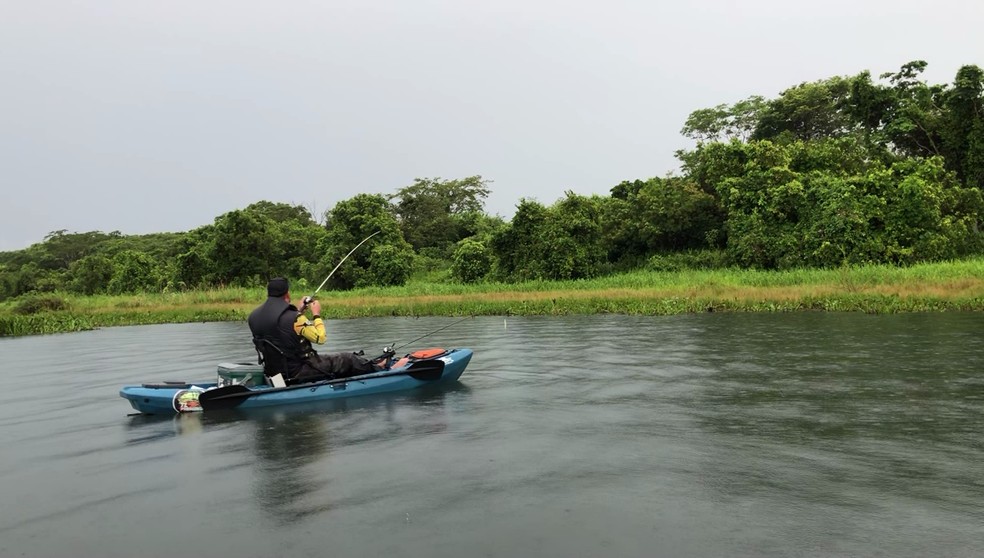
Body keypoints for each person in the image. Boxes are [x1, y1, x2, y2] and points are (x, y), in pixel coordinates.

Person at [247, 277, 380, 384]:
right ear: (287, 294)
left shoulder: (254, 317)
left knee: (338, 359)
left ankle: (373, 365)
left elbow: (280, 330)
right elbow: (320, 338)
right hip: (298, 372)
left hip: (274, 372)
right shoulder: (295, 319)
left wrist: (298, 311)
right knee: (348, 359)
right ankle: (382, 369)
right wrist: (316, 314)